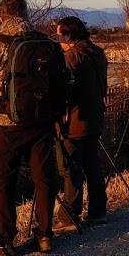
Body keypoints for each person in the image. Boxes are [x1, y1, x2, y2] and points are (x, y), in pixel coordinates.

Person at [0, 0, 66, 256]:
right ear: (26, 14)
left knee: (2, 182)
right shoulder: (48, 44)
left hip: (8, 125)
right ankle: (44, 236)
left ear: (1, 18)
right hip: (43, 123)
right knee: (44, 179)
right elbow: (65, 80)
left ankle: (4, 243)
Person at [53, 16, 109, 231]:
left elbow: (63, 91)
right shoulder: (98, 53)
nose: (58, 40)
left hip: (73, 121)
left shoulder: (71, 57)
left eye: (60, 35)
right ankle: (97, 211)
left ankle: (69, 214)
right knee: (93, 166)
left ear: (69, 35)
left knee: (70, 167)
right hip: (94, 118)